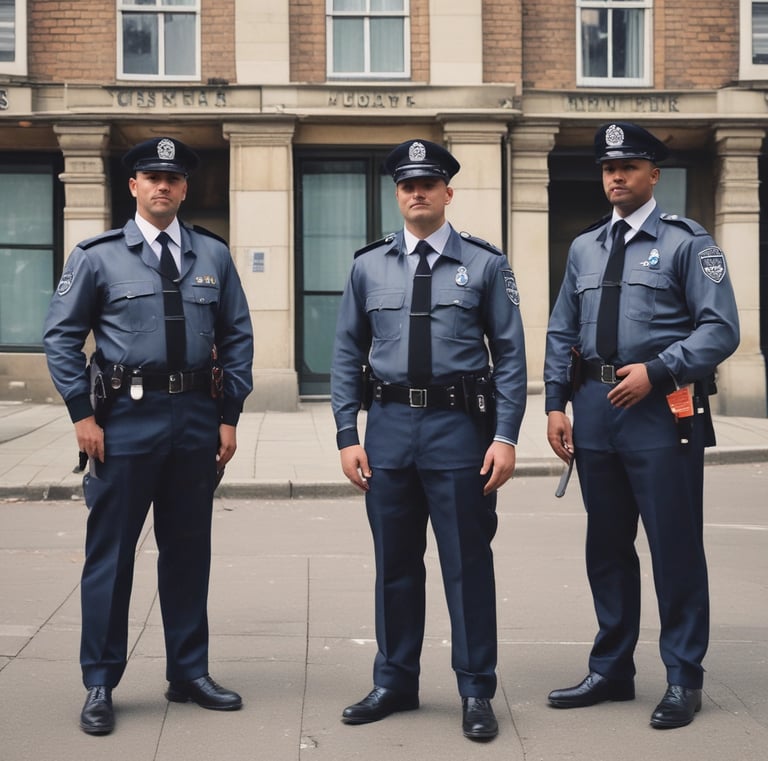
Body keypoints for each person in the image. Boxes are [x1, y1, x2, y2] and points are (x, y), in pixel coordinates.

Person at [43, 136, 254, 735]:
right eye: (151, 176)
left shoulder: (212, 255)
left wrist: (229, 414)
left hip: (194, 418)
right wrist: (82, 414)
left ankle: (188, 672)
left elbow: (237, 336)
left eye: (173, 178)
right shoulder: (97, 256)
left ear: (185, 189)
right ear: (132, 186)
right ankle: (101, 682)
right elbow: (60, 339)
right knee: (110, 556)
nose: (163, 185)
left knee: (189, 552)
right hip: (122, 423)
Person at [544, 122, 740, 729]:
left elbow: (720, 329)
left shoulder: (688, 243)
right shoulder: (585, 248)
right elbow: (560, 330)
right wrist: (555, 403)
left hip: (661, 413)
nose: (616, 176)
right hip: (597, 416)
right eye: (608, 168)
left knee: (674, 549)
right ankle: (612, 669)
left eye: (628, 166)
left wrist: (658, 371)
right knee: (606, 548)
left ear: (654, 174)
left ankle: (683, 676)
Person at [330, 139, 527, 741]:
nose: (417, 193)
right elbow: (345, 352)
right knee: (394, 565)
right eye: (407, 185)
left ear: (447, 192)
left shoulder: (486, 265)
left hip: (458, 432)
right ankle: (395, 682)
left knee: (467, 565)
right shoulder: (369, 266)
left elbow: (512, 355)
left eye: (428, 183)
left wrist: (506, 436)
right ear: (398, 193)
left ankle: (475, 689)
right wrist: (346, 433)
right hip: (388, 432)